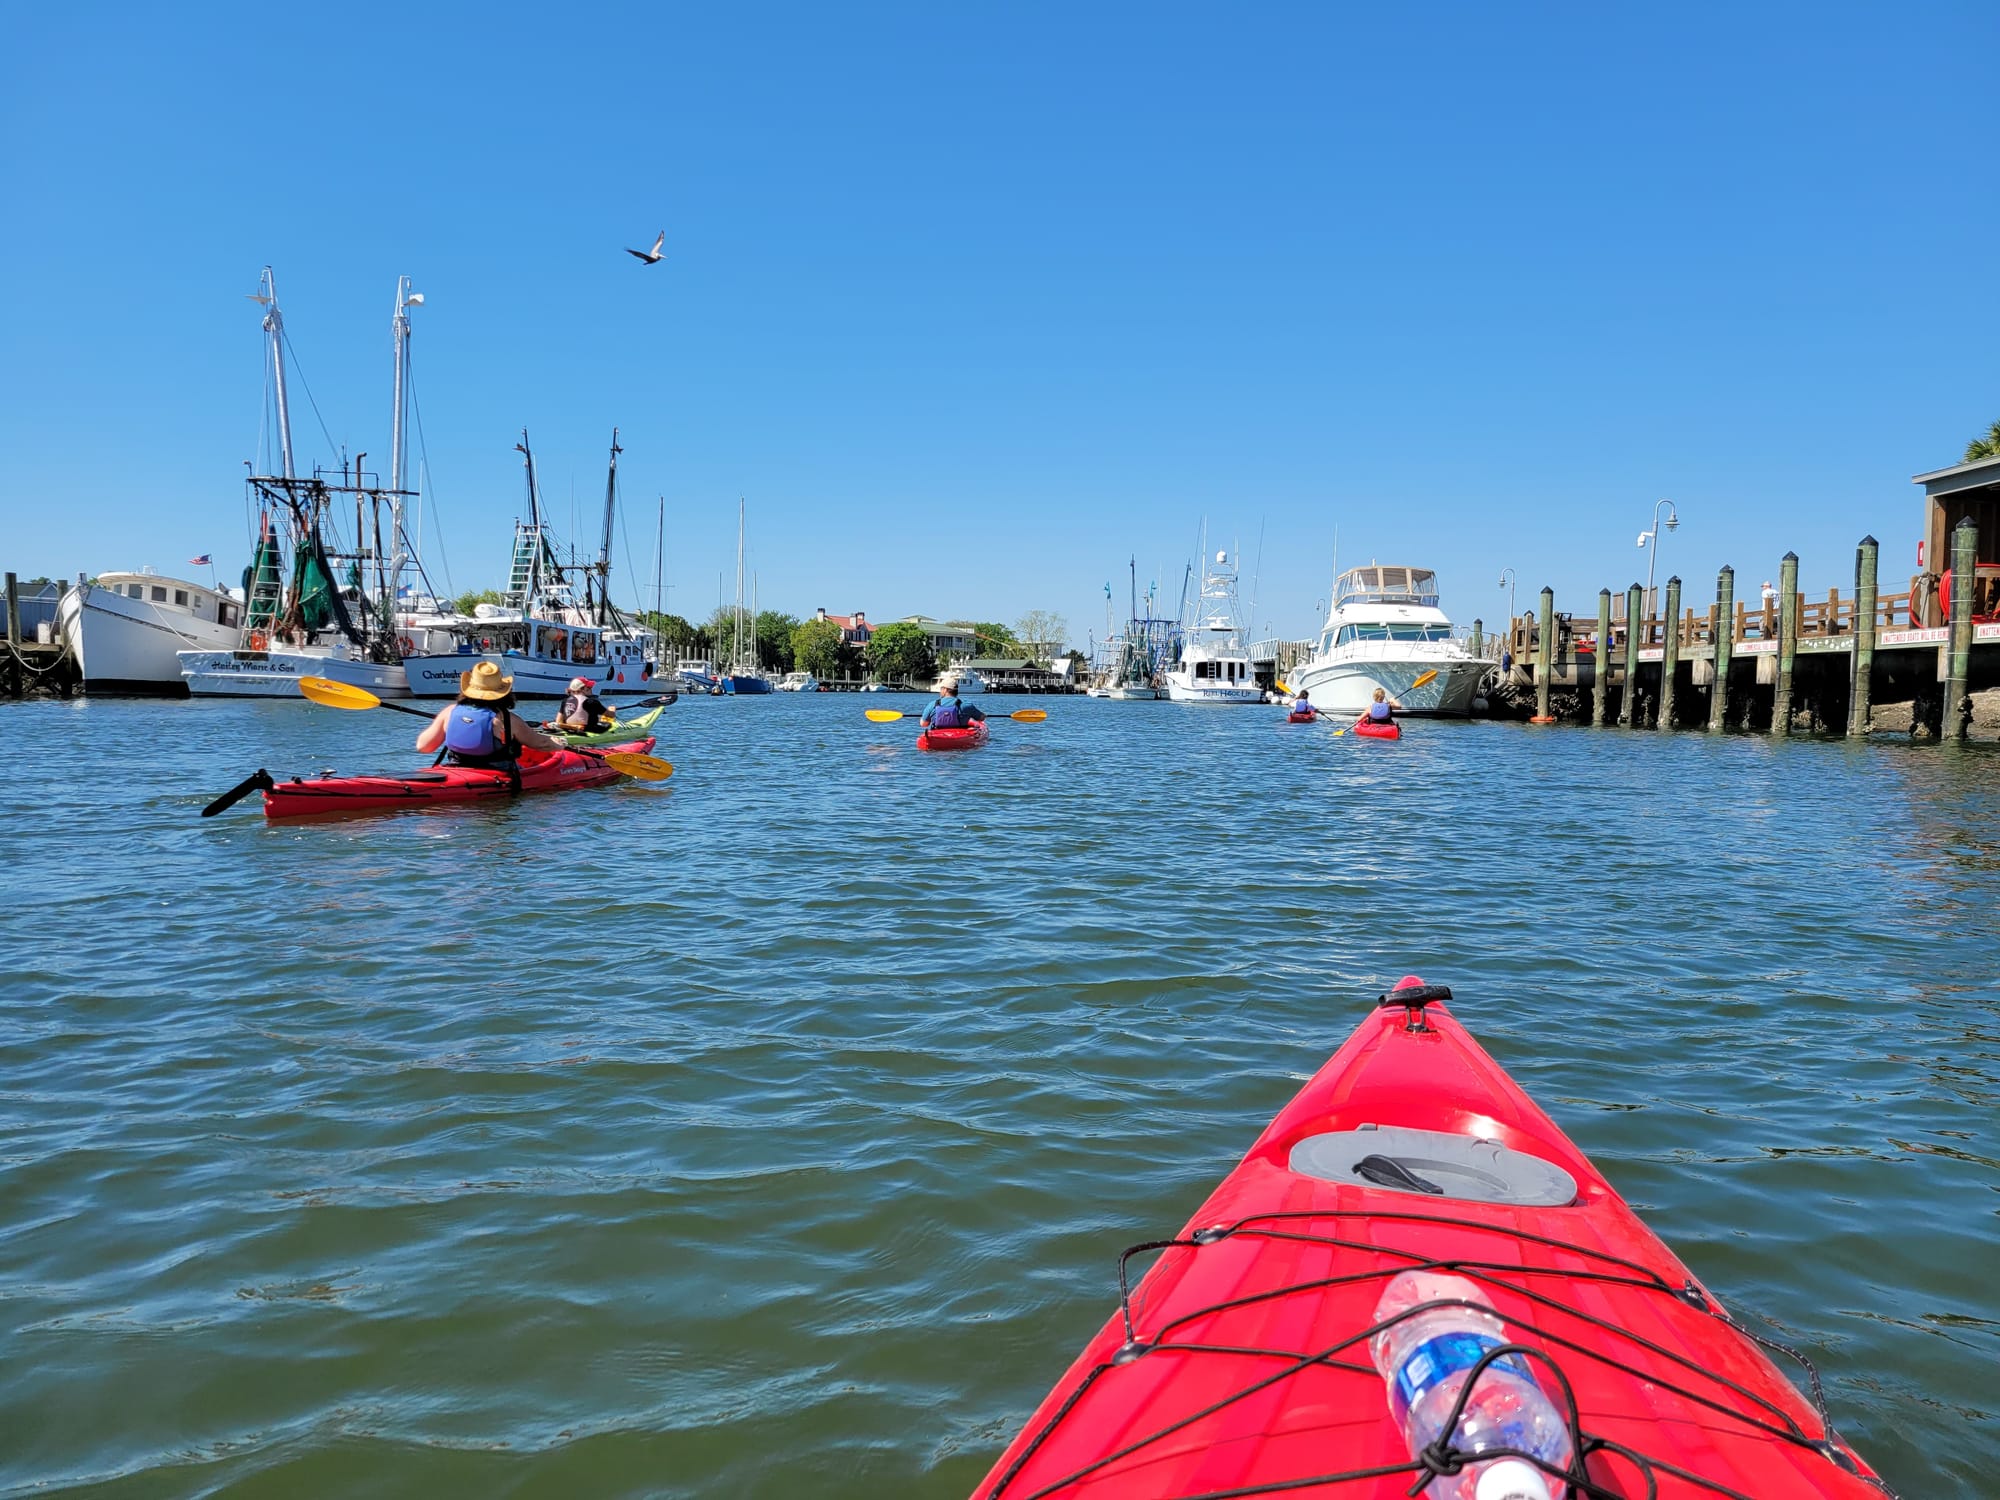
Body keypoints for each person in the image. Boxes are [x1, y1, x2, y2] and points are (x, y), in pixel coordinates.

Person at [416, 662, 560, 768]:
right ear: (503, 693)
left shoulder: (449, 711)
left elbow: (423, 747)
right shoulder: (506, 719)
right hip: (496, 774)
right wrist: (560, 744)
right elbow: (541, 743)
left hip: (457, 768)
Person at [922, 677, 987, 730]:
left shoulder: (932, 704)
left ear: (945, 690)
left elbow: (923, 724)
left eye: (941, 688)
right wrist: (984, 715)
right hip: (959, 736)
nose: (940, 691)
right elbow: (981, 718)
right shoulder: (966, 705)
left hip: (937, 734)